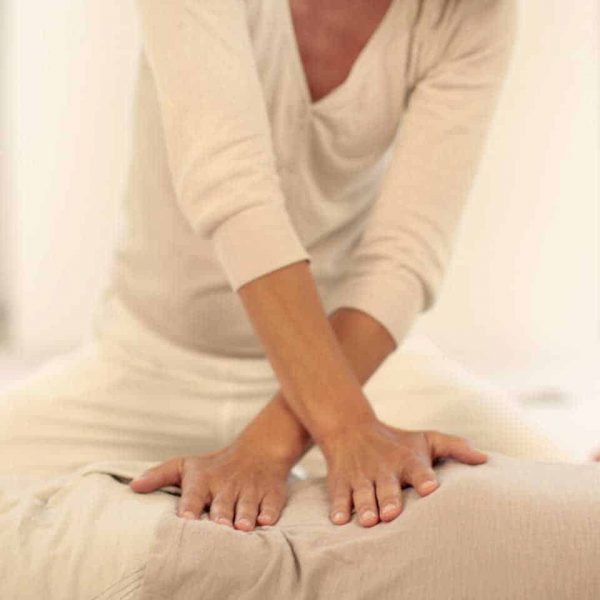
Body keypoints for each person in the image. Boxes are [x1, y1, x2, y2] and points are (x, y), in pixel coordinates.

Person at [0, 0, 577, 535]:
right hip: (149, 365)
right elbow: (234, 191)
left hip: (352, 367)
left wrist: (283, 439)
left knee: (566, 493)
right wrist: (344, 428)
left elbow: (404, 254)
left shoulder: (471, 16)